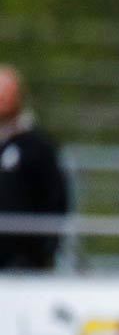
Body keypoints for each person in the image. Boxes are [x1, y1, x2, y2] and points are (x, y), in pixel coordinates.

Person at [0, 65, 69, 271]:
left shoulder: (38, 147)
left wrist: (44, 251)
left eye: (5, 92)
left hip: (23, 265)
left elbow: (56, 200)